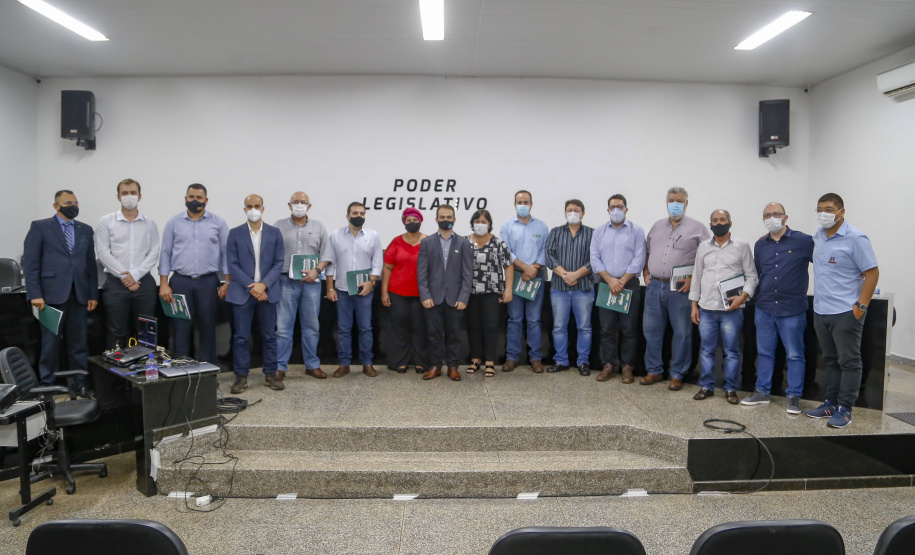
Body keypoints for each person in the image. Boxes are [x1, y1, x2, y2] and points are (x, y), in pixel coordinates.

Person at [805, 193, 879, 429]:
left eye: (829, 209)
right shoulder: (818, 236)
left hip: (846, 311)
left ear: (841, 212)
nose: (823, 214)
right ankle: (830, 403)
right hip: (821, 310)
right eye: (819, 209)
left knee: (849, 361)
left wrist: (861, 306)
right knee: (829, 359)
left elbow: (872, 273)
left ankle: (845, 408)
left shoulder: (856, 238)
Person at [741, 202, 814, 414]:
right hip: (764, 307)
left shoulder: (804, 241)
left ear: (785, 217)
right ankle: (762, 391)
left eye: (776, 214)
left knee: (794, 354)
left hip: (792, 308)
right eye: (767, 215)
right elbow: (758, 273)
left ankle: (793, 396)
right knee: (764, 352)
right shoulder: (760, 245)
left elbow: (825, 264)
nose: (771, 218)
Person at [23, 190, 98, 394]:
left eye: (75, 202)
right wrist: (34, 294)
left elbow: (91, 265)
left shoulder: (85, 229)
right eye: (67, 202)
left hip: (79, 295)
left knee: (79, 344)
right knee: (50, 344)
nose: (73, 205)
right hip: (49, 297)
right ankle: (48, 385)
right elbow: (30, 264)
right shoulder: (40, 227)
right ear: (56, 206)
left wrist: (92, 294)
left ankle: (80, 384)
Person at [642, 186, 710, 389]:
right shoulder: (657, 226)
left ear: (686, 203)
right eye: (671, 200)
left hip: (681, 289)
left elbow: (708, 257)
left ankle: (677, 374)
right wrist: (645, 272)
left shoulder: (697, 228)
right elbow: (647, 251)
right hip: (654, 286)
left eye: (679, 201)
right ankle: (653, 371)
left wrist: (693, 279)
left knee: (682, 332)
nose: (675, 204)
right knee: (651, 331)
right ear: (666, 202)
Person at [689, 210, 758, 404]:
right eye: (715, 220)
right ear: (710, 224)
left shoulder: (742, 246)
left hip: (732, 310)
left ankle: (730, 388)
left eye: (722, 220)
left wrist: (743, 297)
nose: (719, 223)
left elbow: (751, 276)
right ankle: (707, 386)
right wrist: (694, 305)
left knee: (732, 351)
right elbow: (697, 276)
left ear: (730, 222)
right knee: (707, 350)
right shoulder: (703, 247)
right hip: (706, 308)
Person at [159, 184, 230, 364]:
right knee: (180, 329)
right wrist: (164, 283)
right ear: (185, 199)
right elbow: (165, 252)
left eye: (199, 197)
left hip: (208, 282)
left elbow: (226, 254)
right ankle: (181, 373)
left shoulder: (218, 223)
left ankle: (208, 374)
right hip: (180, 282)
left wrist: (227, 282)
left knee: (208, 328)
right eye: (191, 197)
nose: (195, 200)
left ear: (206, 200)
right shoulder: (173, 222)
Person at [226, 194, 285, 394]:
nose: (253, 209)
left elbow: (279, 263)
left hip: (267, 292)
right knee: (241, 337)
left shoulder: (275, 233)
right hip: (242, 292)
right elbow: (232, 265)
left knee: (269, 336)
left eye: (257, 206)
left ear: (263, 208)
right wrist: (253, 287)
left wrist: (264, 285)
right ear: (244, 209)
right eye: (249, 206)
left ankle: (270, 373)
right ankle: (241, 376)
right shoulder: (234, 233)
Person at [94, 179, 161, 349]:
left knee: (147, 331)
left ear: (140, 196)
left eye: (132, 193)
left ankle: (146, 370)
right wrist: (126, 276)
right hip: (116, 284)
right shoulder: (106, 222)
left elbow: (154, 253)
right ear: (118, 197)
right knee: (116, 331)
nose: (129, 196)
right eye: (125, 193)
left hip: (144, 284)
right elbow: (103, 253)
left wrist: (135, 275)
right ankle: (116, 373)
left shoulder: (150, 223)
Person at [274, 191, 333, 382]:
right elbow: (270, 252)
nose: (299, 205)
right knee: (283, 328)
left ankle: (312, 365)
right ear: (289, 205)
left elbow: (327, 255)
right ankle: (280, 367)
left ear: (309, 206)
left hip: (312, 284)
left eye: (303, 202)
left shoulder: (318, 227)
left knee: (311, 326)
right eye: (296, 202)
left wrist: (317, 271)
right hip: (285, 282)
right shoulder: (278, 226)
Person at [589, 194, 646, 383]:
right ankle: (608, 365)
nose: (616, 210)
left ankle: (627, 366)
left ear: (626, 209)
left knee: (629, 329)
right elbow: (595, 258)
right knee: (606, 328)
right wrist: (610, 280)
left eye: (620, 207)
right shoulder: (599, 232)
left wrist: (621, 280)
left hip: (628, 284)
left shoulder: (637, 231)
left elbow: (639, 258)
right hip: (606, 284)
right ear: (607, 210)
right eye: (612, 207)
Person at [326, 202, 383, 378]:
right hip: (343, 290)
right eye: (355, 212)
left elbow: (377, 263)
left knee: (365, 328)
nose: (358, 215)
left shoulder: (373, 236)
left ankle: (367, 363)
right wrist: (330, 287)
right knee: (343, 329)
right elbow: (330, 263)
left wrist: (370, 283)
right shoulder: (335, 236)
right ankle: (344, 364)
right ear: (347, 215)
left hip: (364, 290)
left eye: (362, 213)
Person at [417, 205, 473, 381]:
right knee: (433, 334)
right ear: (436, 220)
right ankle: (435, 366)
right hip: (432, 298)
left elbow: (467, 273)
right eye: (442, 217)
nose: (446, 220)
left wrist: (464, 297)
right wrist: (425, 296)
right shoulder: (427, 242)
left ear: (455, 219)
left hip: (455, 298)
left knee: (454, 334)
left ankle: (453, 366)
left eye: (449, 217)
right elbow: (422, 272)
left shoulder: (464, 243)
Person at [500, 190, 549, 373]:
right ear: (514, 204)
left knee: (534, 320)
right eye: (520, 202)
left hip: (536, 277)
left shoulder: (542, 226)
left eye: (526, 201)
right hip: (515, 276)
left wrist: (534, 267)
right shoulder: (507, 226)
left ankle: (535, 358)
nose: (523, 204)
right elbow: (506, 251)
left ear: (531, 204)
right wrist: (524, 267)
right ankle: (511, 357)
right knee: (514, 319)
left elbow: (546, 250)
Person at [545, 199, 594, 376]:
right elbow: (549, 256)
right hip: (559, 287)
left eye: (577, 210)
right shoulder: (556, 232)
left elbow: (595, 259)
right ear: (565, 213)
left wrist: (577, 274)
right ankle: (561, 360)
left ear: (583, 213)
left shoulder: (592, 234)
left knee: (584, 327)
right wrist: (565, 274)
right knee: (559, 326)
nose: (573, 212)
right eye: (569, 210)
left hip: (584, 288)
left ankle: (583, 362)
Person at [381, 207, 428, 374]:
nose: (412, 223)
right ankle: (399, 362)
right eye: (409, 220)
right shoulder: (396, 242)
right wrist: (384, 292)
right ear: (404, 223)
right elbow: (387, 268)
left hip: (421, 294)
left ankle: (421, 362)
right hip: (397, 292)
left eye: (415, 220)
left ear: (421, 221)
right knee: (398, 329)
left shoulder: (429, 241)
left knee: (420, 328)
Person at [467, 209, 513, 378]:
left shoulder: (498, 243)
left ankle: (490, 362)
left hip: (492, 292)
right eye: (477, 221)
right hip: (470, 292)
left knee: (490, 326)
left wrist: (508, 289)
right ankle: (475, 359)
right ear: (472, 223)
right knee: (473, 326)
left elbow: (508, 265)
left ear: (490, 224)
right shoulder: (465, 242)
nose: (480, 224)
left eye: (484, 221)